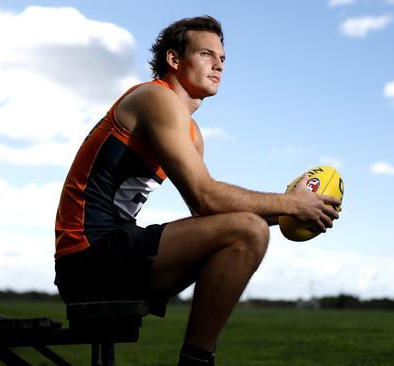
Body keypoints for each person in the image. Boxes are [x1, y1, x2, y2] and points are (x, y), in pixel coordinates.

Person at [54, 15, 340, 366]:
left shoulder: (192, 133)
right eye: (207, 54)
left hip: (120, 252)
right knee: (248, 230)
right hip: (88, 256)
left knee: (244, 232)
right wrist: (290, 204)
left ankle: (196, 359)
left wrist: (295, 212)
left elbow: (207, 215)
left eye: (222, 58)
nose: (218, 64)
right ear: (174, 60)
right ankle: (196, 362)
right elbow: (206, 195)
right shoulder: (154, 97)